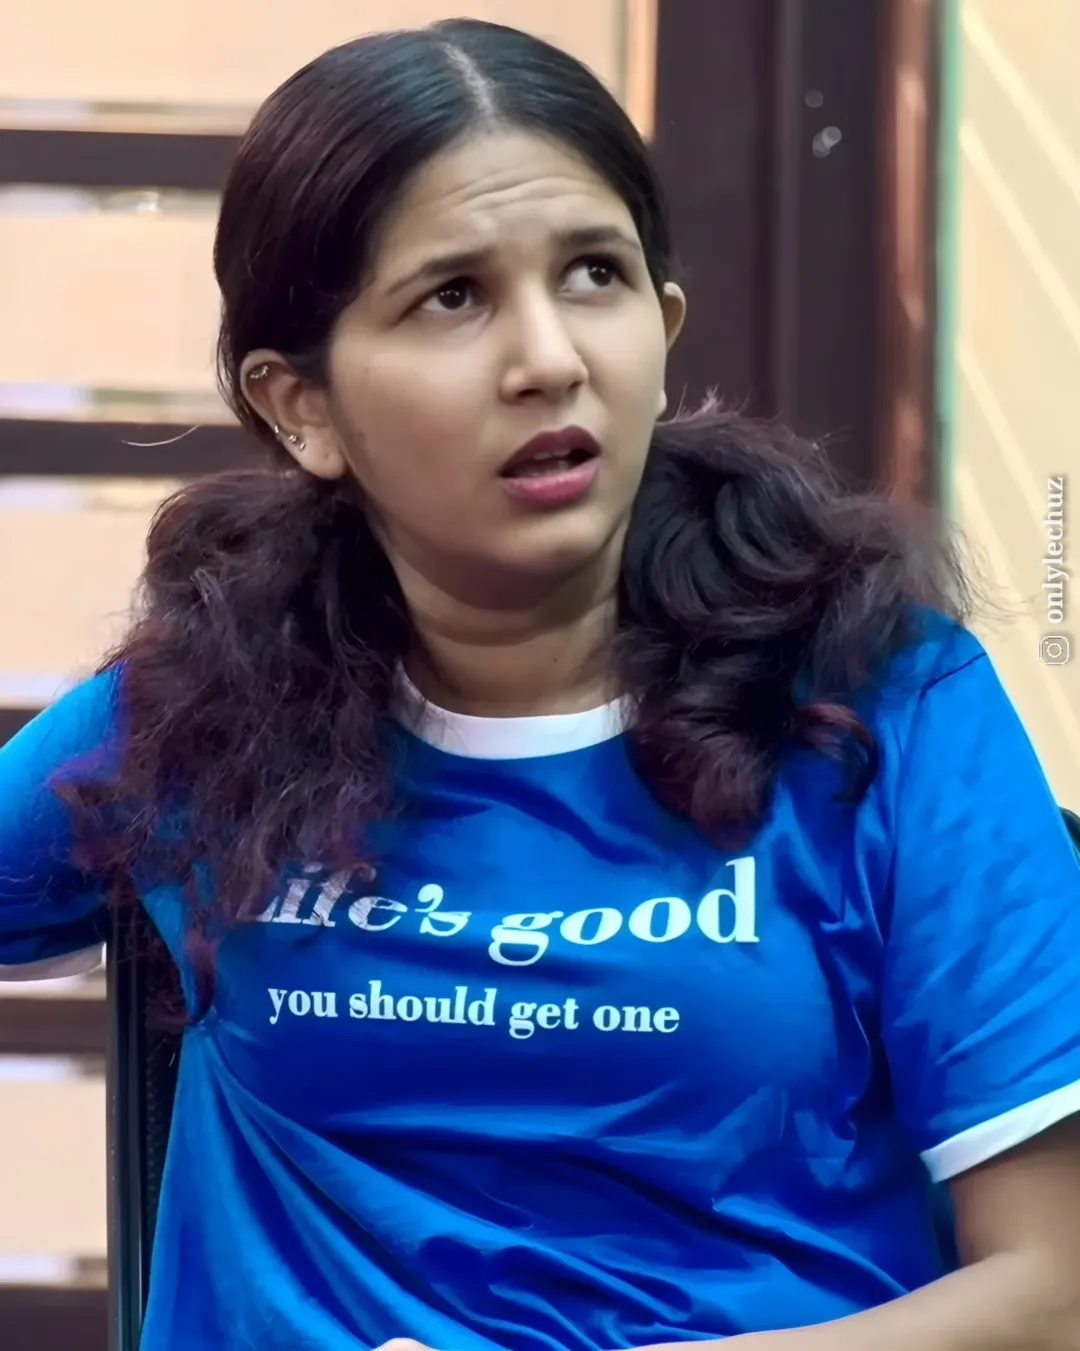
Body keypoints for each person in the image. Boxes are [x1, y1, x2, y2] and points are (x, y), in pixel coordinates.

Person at [2, 18, 1079, 1351]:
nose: (550, 358)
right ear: (301, 407)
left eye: (593, 275)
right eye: (452, 297)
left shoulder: (884, 700)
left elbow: (1052, 1293)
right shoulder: (214, 698)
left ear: (663, 330)